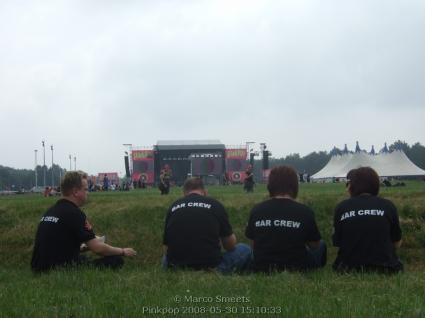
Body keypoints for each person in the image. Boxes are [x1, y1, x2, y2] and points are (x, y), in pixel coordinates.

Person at [31, 171, 137, 272]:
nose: (88, 193)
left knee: (82, 257)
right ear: (75, 192)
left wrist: (82, 247)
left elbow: (58, 245)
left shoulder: (50, 211)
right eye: (85, 189)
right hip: (59, 268)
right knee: (116, 260)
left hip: (38, 267)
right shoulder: (74, 213)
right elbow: (98, 249)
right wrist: (123, 251)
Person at [245, 165, 326, 272]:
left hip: (263, 268)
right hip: (298, 268)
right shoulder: (305, 212)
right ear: (294, 186)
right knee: (322, 245)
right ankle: (316, 270)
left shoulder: (256, 210)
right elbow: (314, 245)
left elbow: (253, 244)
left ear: (270, 186)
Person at [162, 177, 251, 274]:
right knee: (244, 249)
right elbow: (230, 245)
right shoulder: (216, 205)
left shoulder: (173, 207)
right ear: (205, 192)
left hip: (176, 266)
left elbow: (166, 246)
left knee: (165, 258)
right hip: (211, 267)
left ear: (184, 193)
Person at [332, 167, 403, 273]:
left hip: (348, 268)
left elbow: (337, 242)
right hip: (386, 268)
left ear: (352, 186)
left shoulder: (341, 207)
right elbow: (396, 242)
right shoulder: (388, 206)